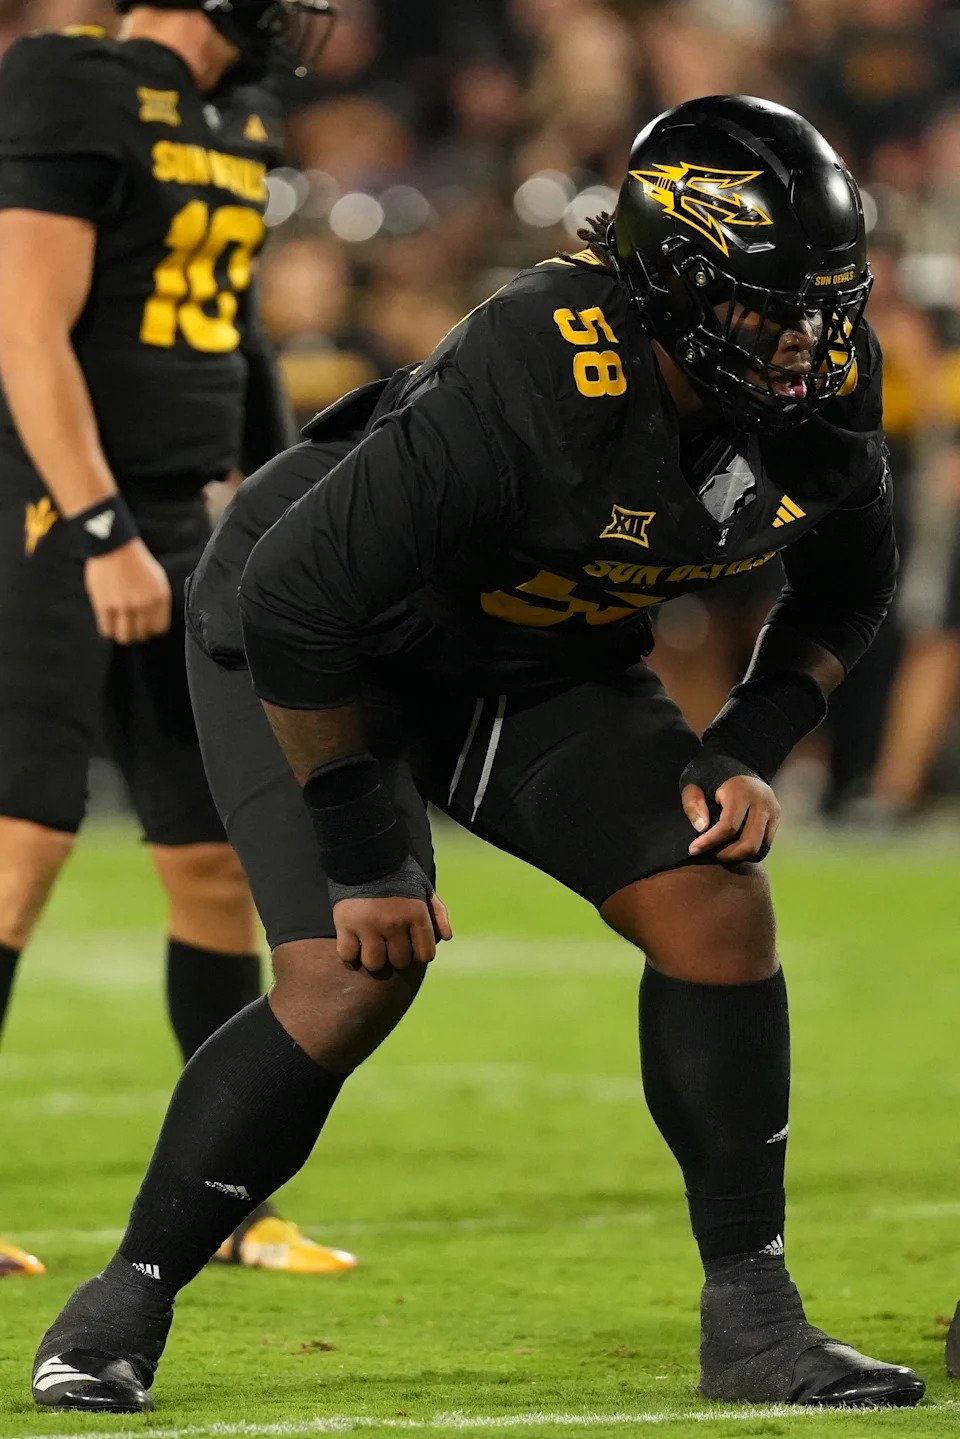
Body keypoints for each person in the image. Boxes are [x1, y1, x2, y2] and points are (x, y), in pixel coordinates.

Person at [34, 95, 925, 1413]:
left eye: (823, 304)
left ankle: (755, 1319)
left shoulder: (819, 384)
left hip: (535, 653)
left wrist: (748, 739)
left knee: (714, 903)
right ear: (674, 283)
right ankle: (116, 1308)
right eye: (767, 306)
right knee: (352, 972)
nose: (805, 341)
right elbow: (297, 602)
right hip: (327, 641)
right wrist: (361, 850)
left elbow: (850, 584)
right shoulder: (546, 359)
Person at [0, 0, 355, 1279]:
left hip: (177, 517)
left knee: (212, 866)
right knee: (19, 847)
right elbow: (24, 324)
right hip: (48, 506)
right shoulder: (69, 79)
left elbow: (230, 328)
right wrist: (97, 527)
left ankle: (232, 1205)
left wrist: (280, 492)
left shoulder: (241, 113)